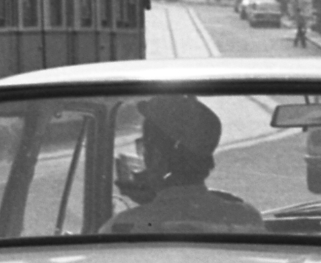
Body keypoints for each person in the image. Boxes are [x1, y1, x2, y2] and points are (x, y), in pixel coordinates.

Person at [104, 94, 265, 234]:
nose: (143, 155)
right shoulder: (246, 218)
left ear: (157, 157)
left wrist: (156, 203)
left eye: (144, 147)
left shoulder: (125, 226)